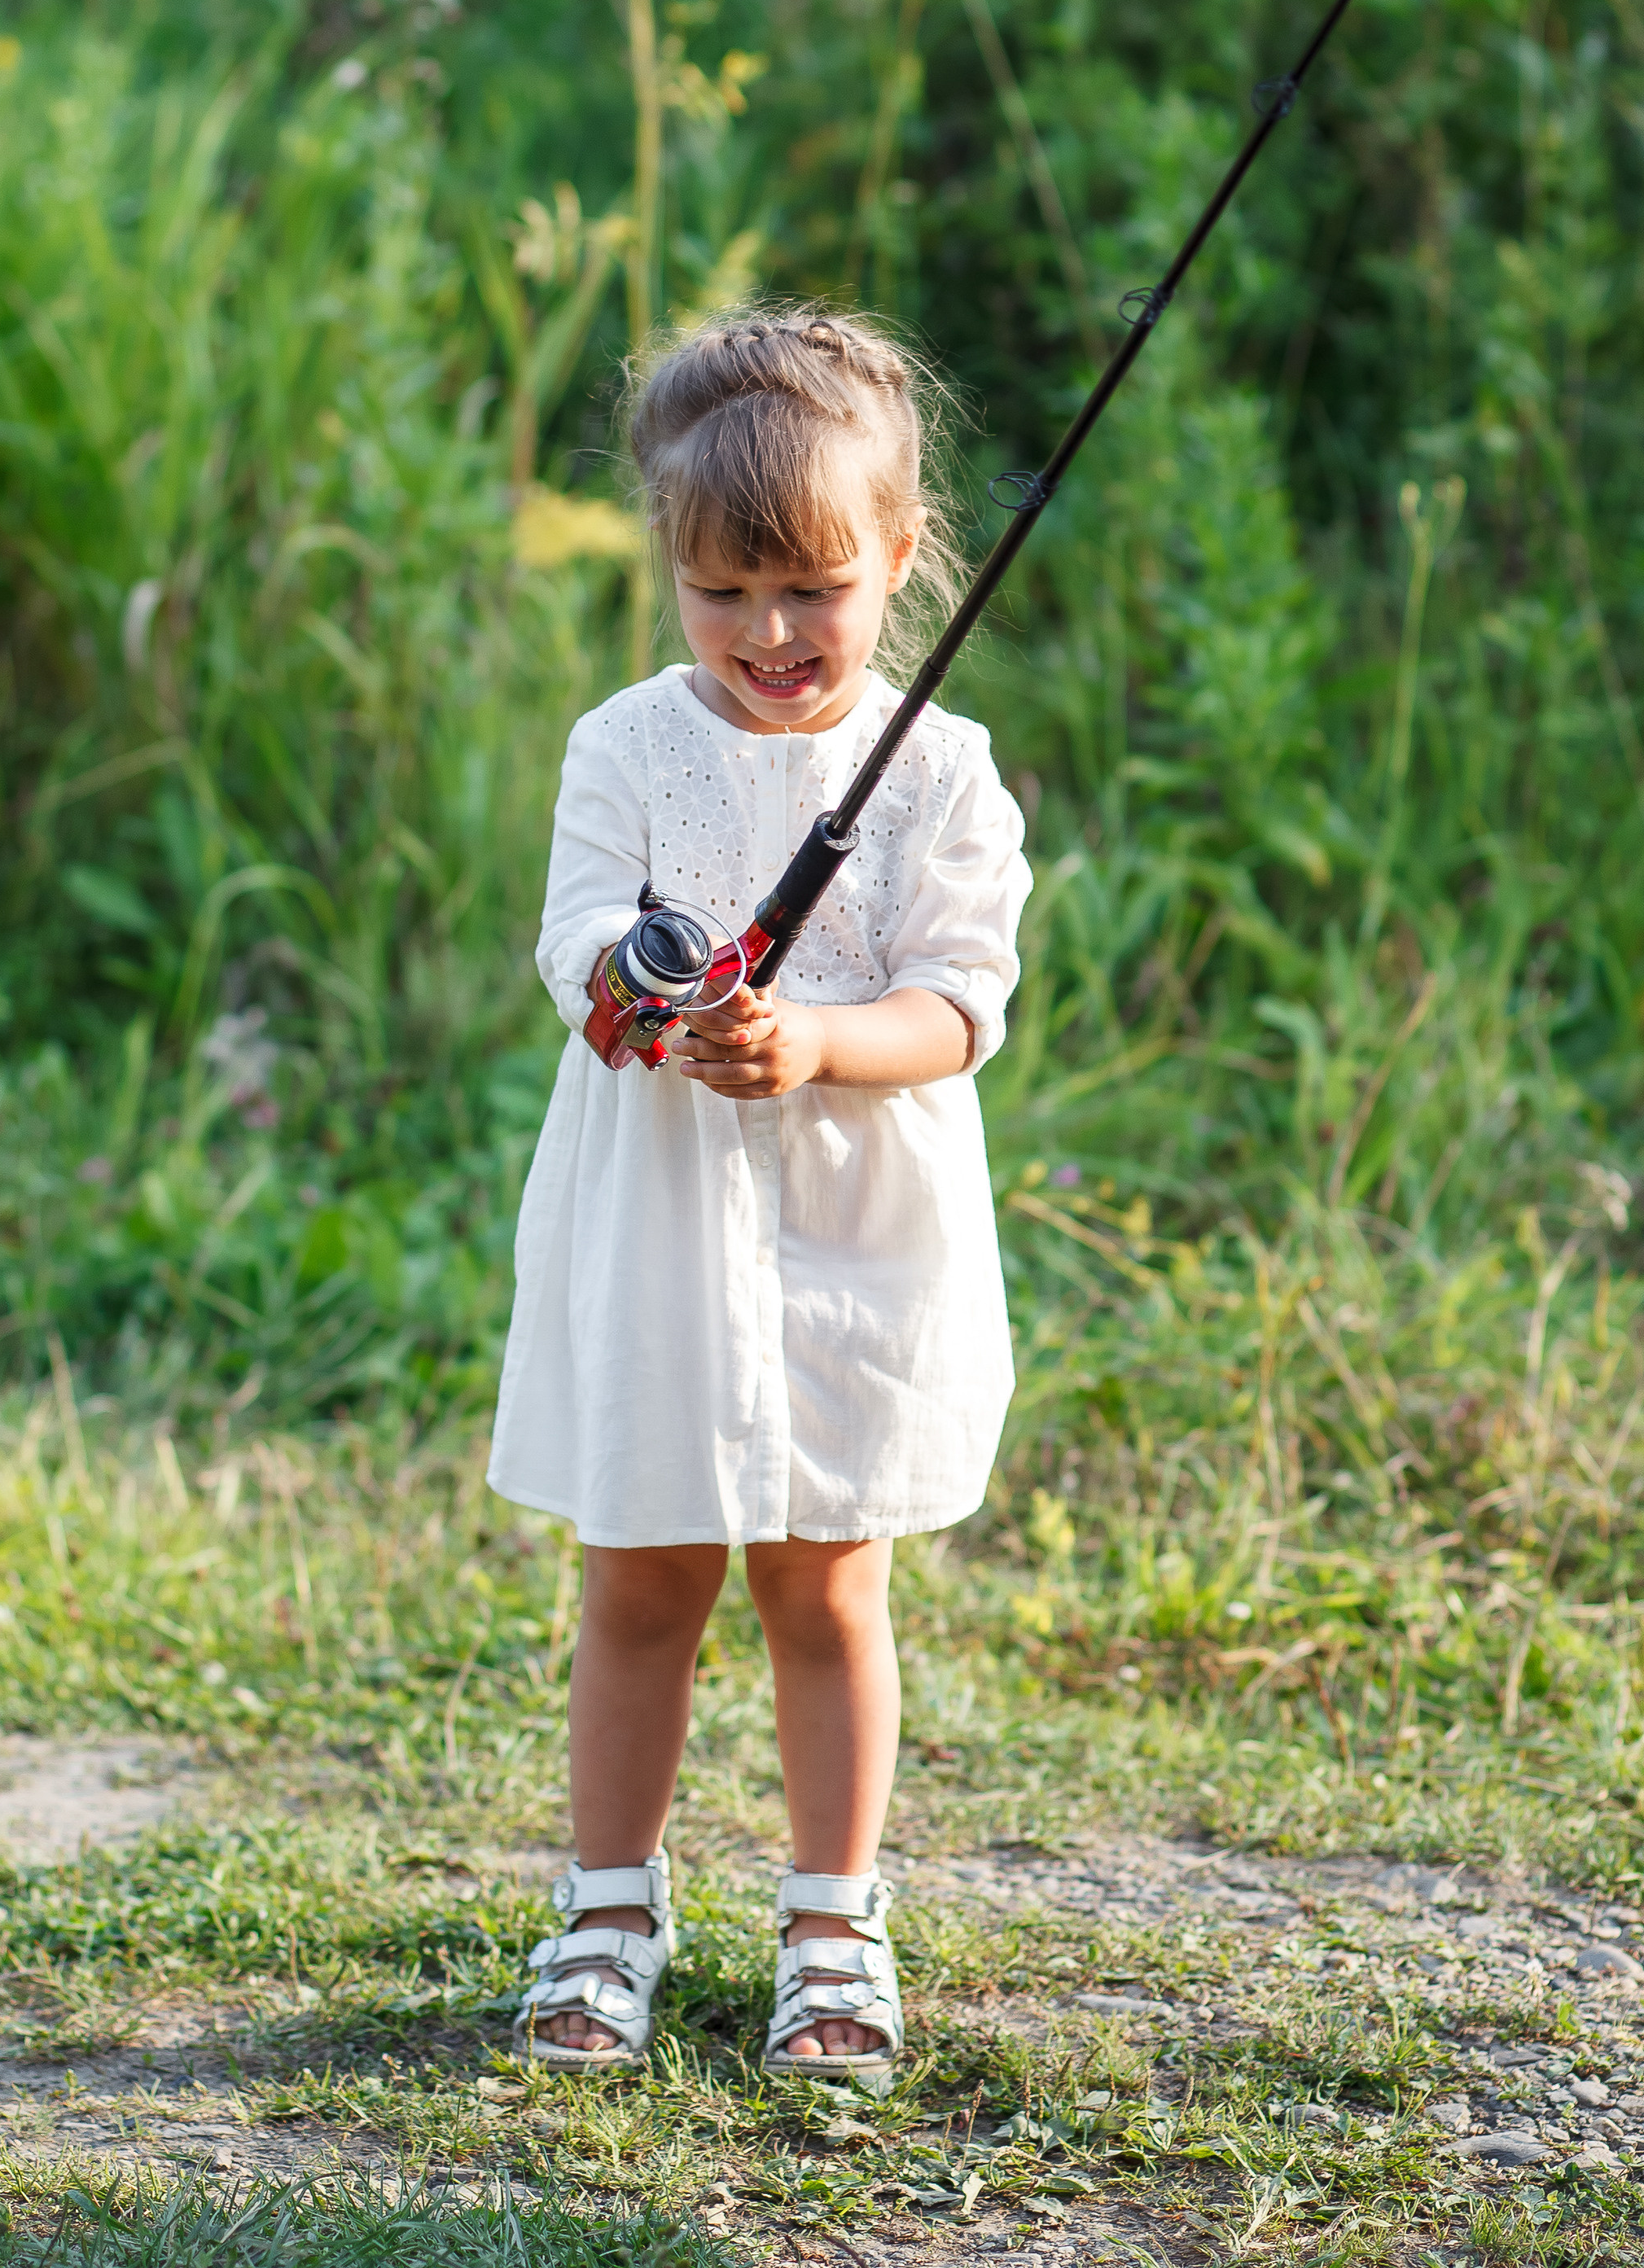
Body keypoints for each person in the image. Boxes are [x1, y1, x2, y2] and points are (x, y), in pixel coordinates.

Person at [488, 307, 1032, 2089]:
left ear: (897, 554)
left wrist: (816, 1043)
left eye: (811, 585)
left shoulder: (942, 769)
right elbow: (576, 930)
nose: (769, 634)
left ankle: (830, 1919)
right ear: (669, 568)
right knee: (640, 1579)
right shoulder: (627, 743)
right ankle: (607, 1914)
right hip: (659, 1229)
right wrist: (640, 989)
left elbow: (960, 1005)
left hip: (854, 1240)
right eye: (723, 593)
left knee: (827, 1583)